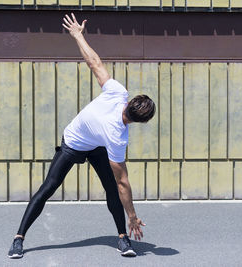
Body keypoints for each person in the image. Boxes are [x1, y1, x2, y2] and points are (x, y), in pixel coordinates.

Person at [8, 13, 156, 259]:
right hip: (74, 143)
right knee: (49, 187)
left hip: (97, 145)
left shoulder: (118, 95)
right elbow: (125, 183)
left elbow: (95, 63)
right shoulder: (118, 136)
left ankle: (122, 238)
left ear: (130, 101)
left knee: (110, 189)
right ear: (141, 122)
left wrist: (78, 35)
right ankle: (18, 238)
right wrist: (133, 216)